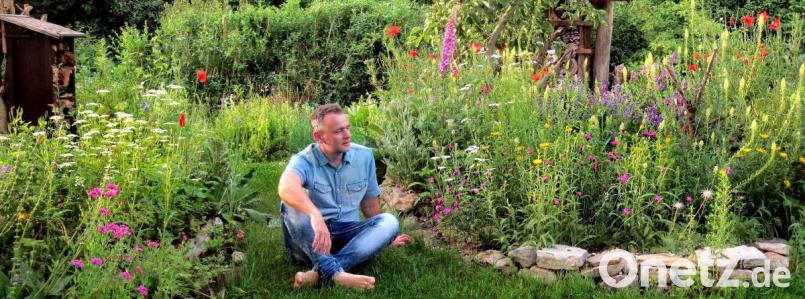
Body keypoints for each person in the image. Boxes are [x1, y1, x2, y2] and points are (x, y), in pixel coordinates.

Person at [277, 103, 411, 290]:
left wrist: (383, 240)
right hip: (310, 241)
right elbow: (285, 186)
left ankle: (317, 274)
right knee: (289, 204)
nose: (347, 134)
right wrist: (316, 216)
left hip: (344, 235)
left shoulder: (364, 157)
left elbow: (371, 206)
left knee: (389, 221)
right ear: (319, 136)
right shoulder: (304, 160)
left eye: (347, 128)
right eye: (338, 131)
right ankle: (336, 273)